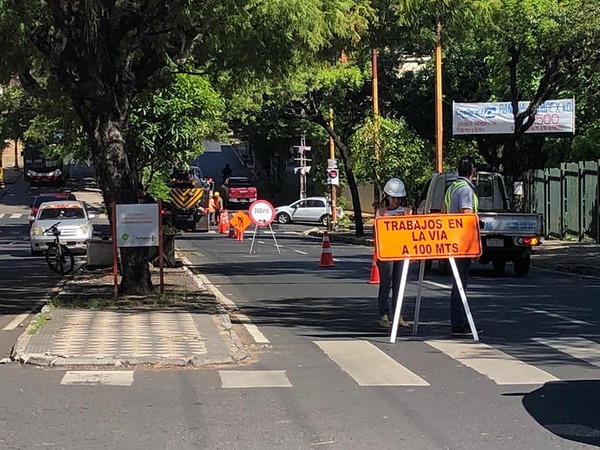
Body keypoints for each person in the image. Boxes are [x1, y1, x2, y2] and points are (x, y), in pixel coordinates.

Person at [444, 156, 482, 336]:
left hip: (452, 242)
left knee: (458, 283)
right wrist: (475, 245)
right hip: (462, 243)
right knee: (460, 284)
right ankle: (459, 324)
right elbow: (467, 218)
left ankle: (458, 321)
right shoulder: (465, 190)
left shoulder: (452, 188)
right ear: (472, 172)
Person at [376, 177, 411, 329]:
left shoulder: (407, 212)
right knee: (386, 284)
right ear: (387, 196)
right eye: (393, 198)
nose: (396, 201)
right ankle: (383, 315)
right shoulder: (381, 212)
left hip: (402, 253)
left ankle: (398, 316)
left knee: (399, 285)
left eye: (398, 198)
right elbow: (377, 231)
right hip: (386, 254)